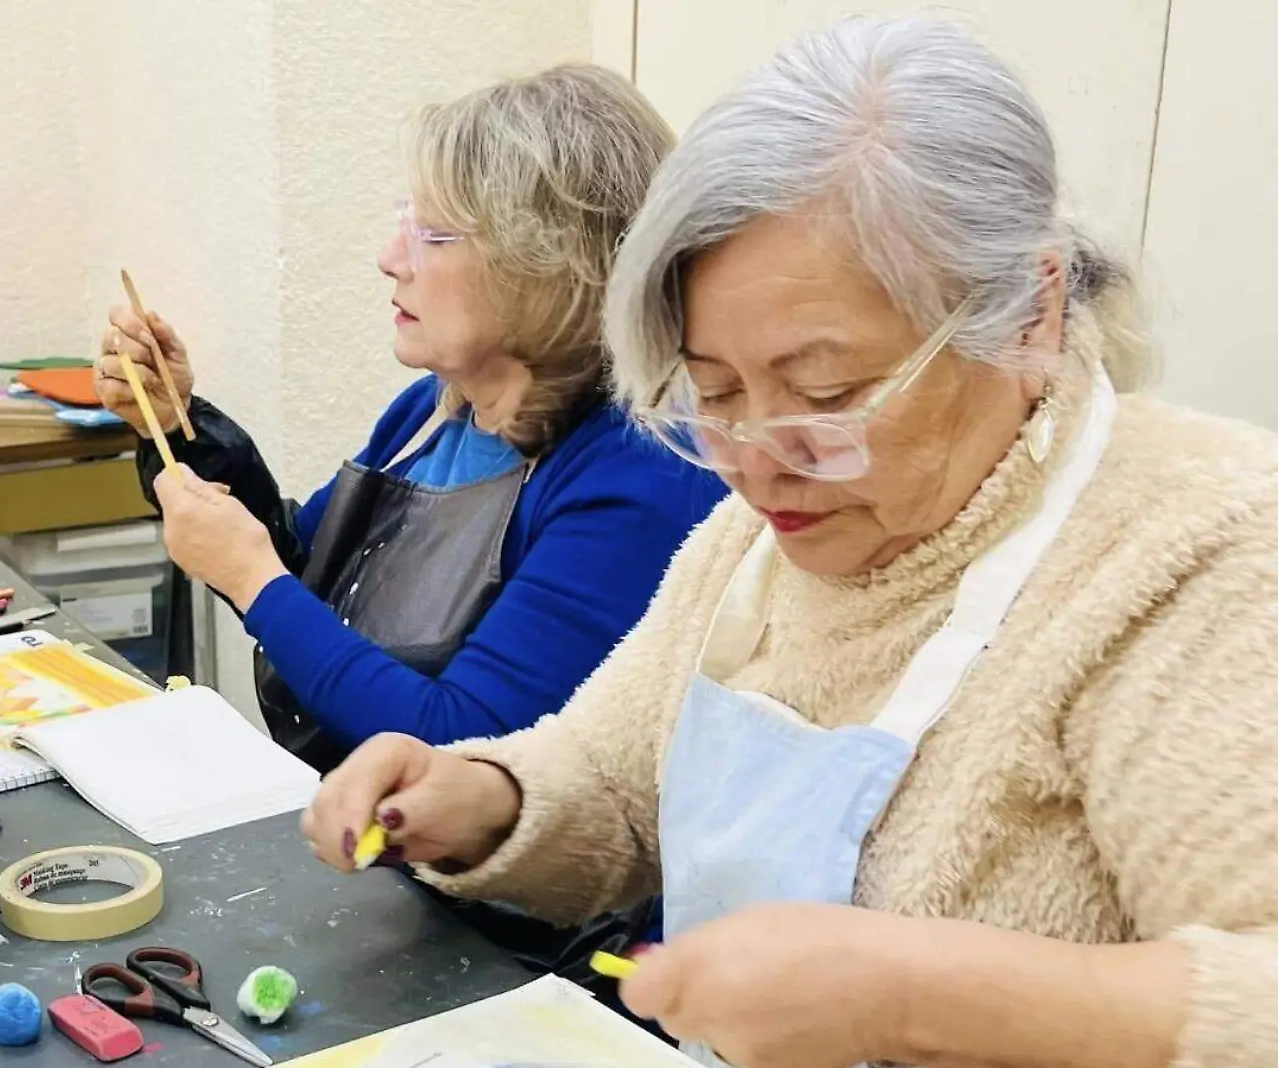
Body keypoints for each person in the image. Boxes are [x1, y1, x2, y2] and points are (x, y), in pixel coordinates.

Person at [305, 17, 1278, 1068]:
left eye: (827, 393)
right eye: (712, 393)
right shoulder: (755, 538)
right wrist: (485, 802)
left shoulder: (1199, 548)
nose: (754, 461)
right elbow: (616, 781)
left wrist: (915, 998)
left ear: (1029, 313)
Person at [97, 65, 725, 771]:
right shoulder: (437, 413)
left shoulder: (645, 474)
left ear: (547, 263)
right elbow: (309, 577)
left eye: (433, 233)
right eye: (405, 224)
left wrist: (250, 578)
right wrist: (183, 426)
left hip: (479, 875)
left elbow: (460, 747)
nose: (389, 259)